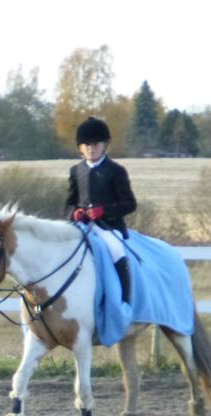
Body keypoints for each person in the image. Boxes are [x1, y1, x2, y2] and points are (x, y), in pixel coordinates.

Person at [67, 116, 138, 303]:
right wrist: (74, 212)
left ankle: (125, 297)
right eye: (86, 144)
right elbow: (68, 203)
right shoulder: (76, 171)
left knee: (116, 250)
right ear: (80, 147)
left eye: (95, 144)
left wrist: (103, 211)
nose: (91, 148)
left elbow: (130, 204)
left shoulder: (116, 171)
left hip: (108, 227)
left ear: (104, 145)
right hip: (81, 225)